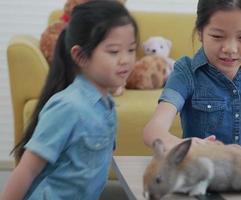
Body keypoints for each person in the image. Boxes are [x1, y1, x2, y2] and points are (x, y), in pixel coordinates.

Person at [0, 1, 138, 199]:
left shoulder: (107, 106)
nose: (125, 59)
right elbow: (27, 169)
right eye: (114, 51)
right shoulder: (68, 107)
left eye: (131, 50)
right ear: (80, 56)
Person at [143, 0, 241, 156]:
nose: (230, 49)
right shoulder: (185, 72)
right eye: (217, 36)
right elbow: (153, 130)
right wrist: (182, 145)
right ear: (200, 32)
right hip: (204, 172)